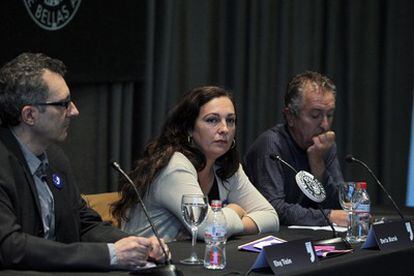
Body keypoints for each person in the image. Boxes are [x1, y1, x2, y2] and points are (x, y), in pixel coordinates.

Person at [0, 53, 168, 270]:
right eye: (64, 104)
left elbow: (84, 223)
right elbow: (11, 248)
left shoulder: (56, 159)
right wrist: (110, 255)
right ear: (30, 115)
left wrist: (137, 245)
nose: (74, 111)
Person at [112, 86, 279, 242]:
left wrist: (226, 225)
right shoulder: (175, 166)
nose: (224, 129)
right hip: (146, 267)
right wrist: (236, 210)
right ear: (190, 129)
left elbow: (271, 217)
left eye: (230, 120)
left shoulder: (226, 167)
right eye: (212, 120)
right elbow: (207, 229)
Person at [244, 71, 348, 226]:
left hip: (310, 238)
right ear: (290, 117)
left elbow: (340, 206)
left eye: (330, 115)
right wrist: (328, 217)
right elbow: (273, 209)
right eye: (315, 115)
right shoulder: (271, 145)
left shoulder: (325, 145)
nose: (325, 125)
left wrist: (317, 162)